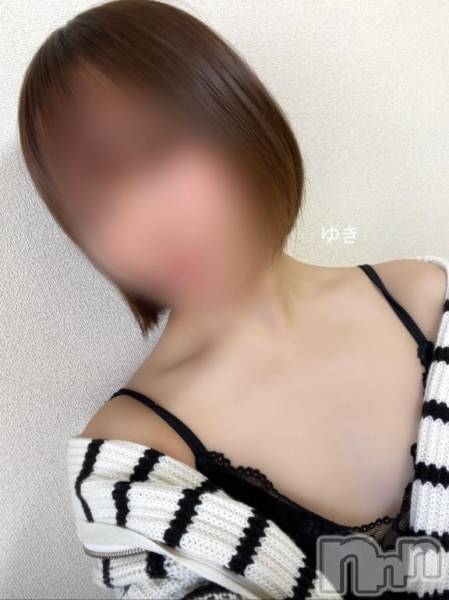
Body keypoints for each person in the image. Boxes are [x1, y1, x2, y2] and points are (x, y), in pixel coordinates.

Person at [18, 1, 448, 597]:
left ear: (237, 116)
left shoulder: (429, 300)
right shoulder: (131, 464)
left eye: (160, 156)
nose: (148, 224)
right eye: (100, 208)